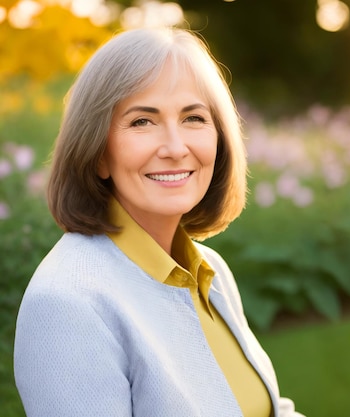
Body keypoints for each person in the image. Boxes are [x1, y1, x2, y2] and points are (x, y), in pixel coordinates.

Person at [13, 26, 304, 417]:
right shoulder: (68, 304)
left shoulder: (211, 270)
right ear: (97, 151)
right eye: (142, 122)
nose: (174, 148)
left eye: (194, 118)